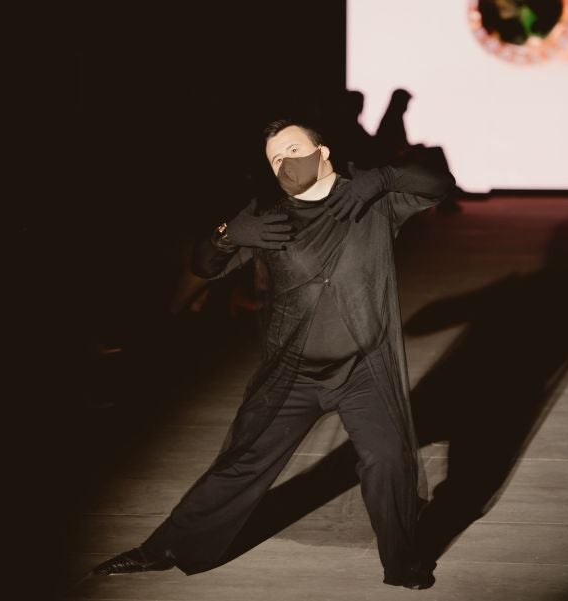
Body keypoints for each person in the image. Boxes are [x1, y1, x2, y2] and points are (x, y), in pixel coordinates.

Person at [90, 119, 454, 589]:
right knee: (242, 462)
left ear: (323, 152)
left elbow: (440, 186)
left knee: (387, 459)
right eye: (275, 158)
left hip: (363, 368)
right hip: (294, 373)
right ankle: (162, 549)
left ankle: (404, 562)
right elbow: (204, 264)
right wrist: (228, 234)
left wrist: (384, 176)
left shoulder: (370, 200)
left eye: (293, 149)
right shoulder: (270, 215)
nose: (285, 162)